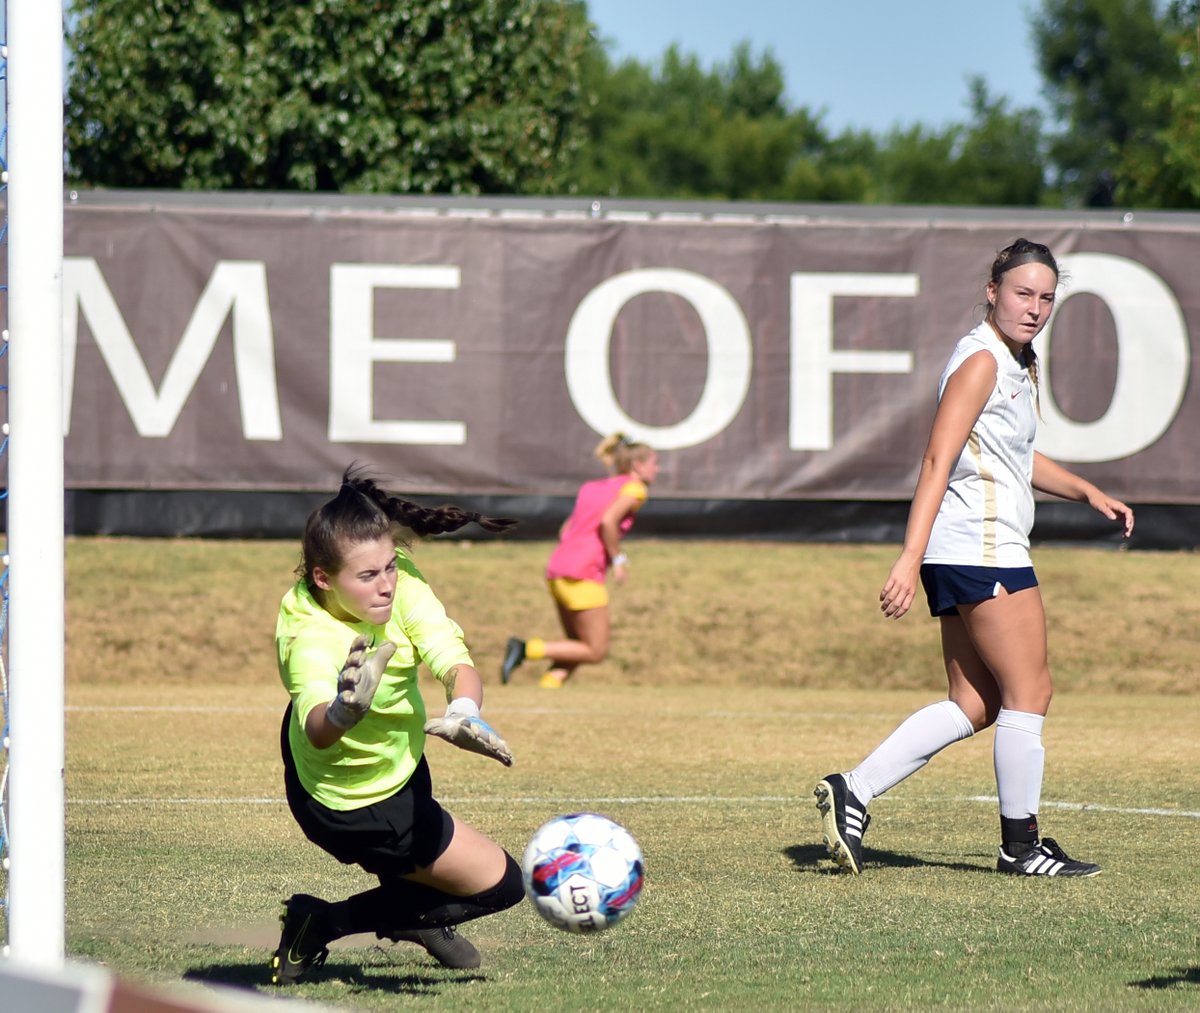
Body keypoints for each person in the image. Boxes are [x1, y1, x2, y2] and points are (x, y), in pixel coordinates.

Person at [815, 238, 1134, 879]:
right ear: (992, 291)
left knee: (975, 703)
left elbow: (1014, 455)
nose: (1035, 307)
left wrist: (1085, 490)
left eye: (1046, 297)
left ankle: (854, 789)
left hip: (962, 550)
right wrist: (907, 558)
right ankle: (1021, 846)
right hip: (983, 546)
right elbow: (938, 457)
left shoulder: (1013, 363)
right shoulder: (982, 362)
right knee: (1030, 691)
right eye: (1023, 293)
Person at [271, 465, 525, 985]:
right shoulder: (310, 636)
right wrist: (344, 712)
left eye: (389, 566)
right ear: (323, 578)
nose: (386, 584)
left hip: (399, 764)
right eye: (367, 576)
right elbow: (319, 725)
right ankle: (320, 922)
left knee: (422, 881)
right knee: (501, 887)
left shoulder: (399, 577)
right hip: (352, 800)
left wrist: (464, 710)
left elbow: (452, 658)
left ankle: (413, 914)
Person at [500, 433, 659, 689]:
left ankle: (548, 688)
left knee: (577, 645)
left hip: (558, 568)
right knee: (596, 651)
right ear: (638, 466)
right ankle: (526, 648)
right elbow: (609, 521)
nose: (657, 468)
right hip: (584, 572)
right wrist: (618, 558)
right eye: (654, 462)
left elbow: (566, 531)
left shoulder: (592, 487)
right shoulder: (635, 489)